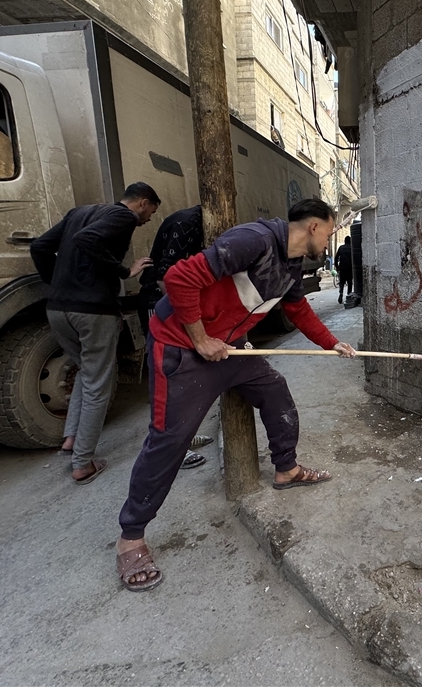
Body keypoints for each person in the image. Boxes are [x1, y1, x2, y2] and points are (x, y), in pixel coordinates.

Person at [116, 198, 356, 591]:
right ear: (314, 226)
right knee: (169, 440)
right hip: (181, 345)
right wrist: (199, 338)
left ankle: (286, 469)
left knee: (275, 390)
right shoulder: (254, 241)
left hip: (229, 347)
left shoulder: (293, 266)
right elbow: (178, 279)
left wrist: (331, 343)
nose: (330, 240)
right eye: (331, 231)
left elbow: (299, 312)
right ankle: (131, 536)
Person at [30, 182, 160, 484]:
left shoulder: (80, 211)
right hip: (93, 311)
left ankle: (72, 438)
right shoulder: (124, 217)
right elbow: (88, 239)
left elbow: (39, 247)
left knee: (86, 373)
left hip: (57, 308)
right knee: (99, 382)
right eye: (150, 213)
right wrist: (124, 271)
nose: (147, 220)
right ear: (142, 203)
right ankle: (83, 463)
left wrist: (58, 284)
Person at [137, 204, 211, 468]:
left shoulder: (193, 221)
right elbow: (167, 275)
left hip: (170, 307)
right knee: (166, 378)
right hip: (160, 306)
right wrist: (185, 318)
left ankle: (182, 438)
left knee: (183, 377)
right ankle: (169, 450)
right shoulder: (187, 223)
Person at [335, 235, 353, 304]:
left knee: (342, 282)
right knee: (349, 283)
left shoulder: (341, 248)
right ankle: (348, 295)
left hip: (342, 268)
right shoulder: (352, 248)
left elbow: (336, 257)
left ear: (344, 241)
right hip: (350, 268)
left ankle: (341, 293)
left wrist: (337, 266)